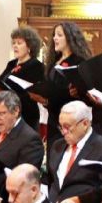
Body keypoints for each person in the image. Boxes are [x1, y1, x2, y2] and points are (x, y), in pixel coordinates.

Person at [0, 91, 44, 196]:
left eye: (1, 113)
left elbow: (26, 178)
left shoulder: (30, 139)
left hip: (5, 199)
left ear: (15, 111)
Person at [42, 22, 92, 151]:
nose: (55, 38)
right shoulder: (54, 60)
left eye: (59, 35)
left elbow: (81, 93)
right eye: (54, 35)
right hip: (53, 117)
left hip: (70, 120)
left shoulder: (79, 61)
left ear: (70, 38)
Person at [0, 26, 45, 130]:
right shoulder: (11, 64)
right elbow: (0, 82)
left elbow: (37, 92)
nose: (15, 46)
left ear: (29, 47)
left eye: (19, 43)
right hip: (7, 112)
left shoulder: (36, 66)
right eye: (14, 43)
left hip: (26, 114)